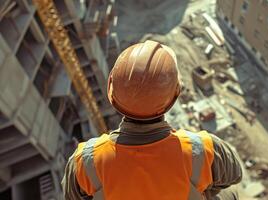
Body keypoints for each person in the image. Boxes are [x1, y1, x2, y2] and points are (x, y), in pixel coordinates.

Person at [62, 40, 243, 200]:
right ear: (174, 96)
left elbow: (72, 197)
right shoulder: (201, 149)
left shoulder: (86, 161)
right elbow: (235, 175)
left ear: (113, 96)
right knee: (230, 195)